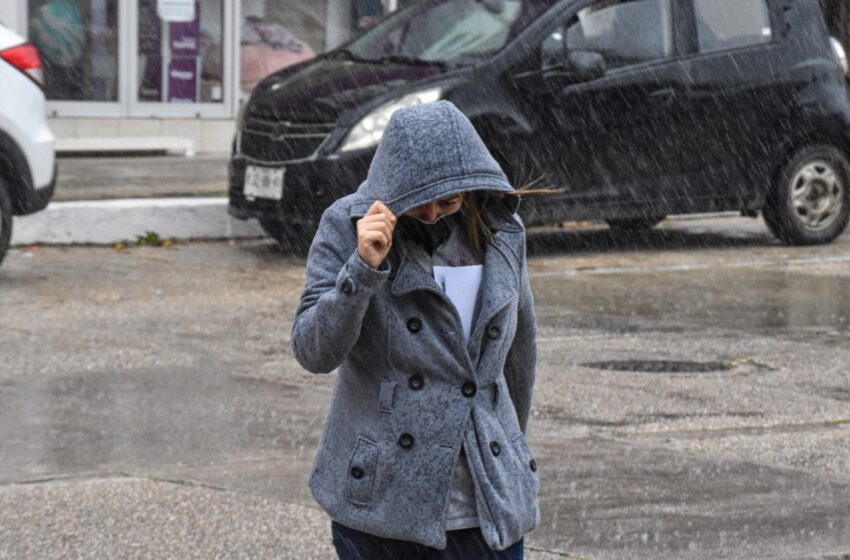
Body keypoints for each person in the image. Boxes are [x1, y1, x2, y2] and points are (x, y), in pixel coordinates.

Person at [291, 100, 540, 559]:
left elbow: (518, 352)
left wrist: (508, 446)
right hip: (383, 503)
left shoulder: (503, 231)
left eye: (448, 201)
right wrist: (363, 268)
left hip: (486, 505)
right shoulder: (347, 225)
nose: (431, 214)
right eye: (418, 201)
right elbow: (314, 351)